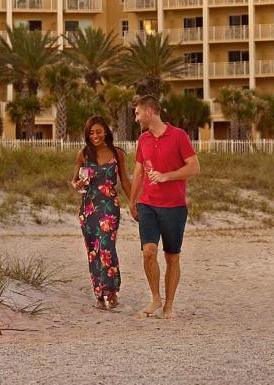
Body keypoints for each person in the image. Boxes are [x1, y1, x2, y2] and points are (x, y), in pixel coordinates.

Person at [128, 93, 200, 318]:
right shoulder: (143, 140)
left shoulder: (179, 136)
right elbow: (138, 173)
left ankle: (169, 304)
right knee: (149, 252)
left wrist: (167, 176)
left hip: (174, 206)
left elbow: (194, 167)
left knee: (172, 257)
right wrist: (132, 202)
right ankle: (156, 298)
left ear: (149, 111)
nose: (136, 118)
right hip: (147, 204)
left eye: (138, 113)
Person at [70, 115, 130, 310]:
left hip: (109, 207)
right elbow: (74, 182)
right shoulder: (84, 154)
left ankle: (111, 292)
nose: (95, 135)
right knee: (93, 251)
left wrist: (135, 204)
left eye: (98, 131)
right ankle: (99, 293)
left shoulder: (117, 153)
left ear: (106, 131)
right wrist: (77, 184)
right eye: (91, 132)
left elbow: (126, 181)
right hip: (88, 209)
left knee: (107, 247)